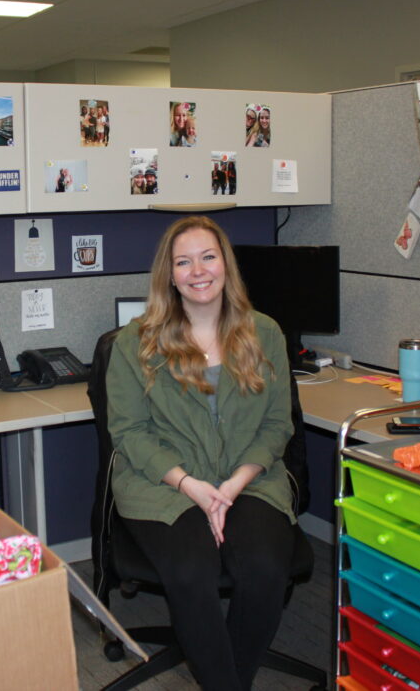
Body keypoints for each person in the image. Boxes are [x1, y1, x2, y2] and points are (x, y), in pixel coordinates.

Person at [105, 215, 297, 691]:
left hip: (248, 478)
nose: (198, 271)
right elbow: (128, 432)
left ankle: (228, 679)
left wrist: (233, 485)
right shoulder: (136, 343)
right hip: (164, 484)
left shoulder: (264, 333)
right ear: (168, 275)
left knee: (267, 569)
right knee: (192, 571)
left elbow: (277, 426)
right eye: (183, 262)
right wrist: (191, 485)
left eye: (208, 257)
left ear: (225, 264)